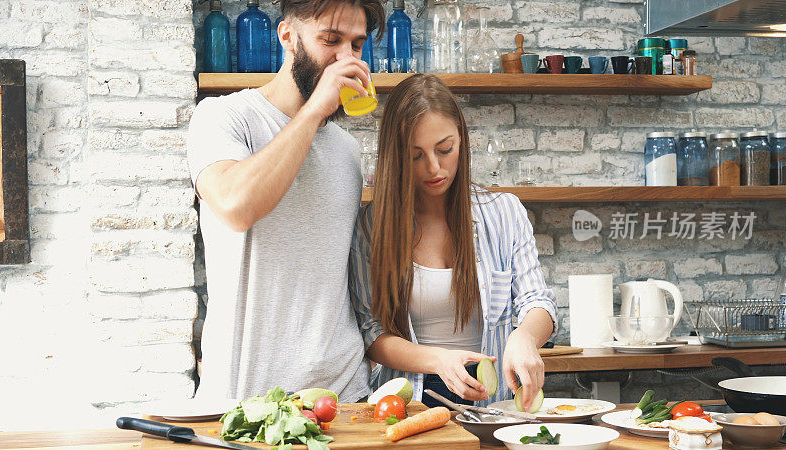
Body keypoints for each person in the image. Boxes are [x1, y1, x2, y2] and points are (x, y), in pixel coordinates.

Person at [186, 0, 385, 402]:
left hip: (344, 393)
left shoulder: (346, 148)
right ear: (288, 37)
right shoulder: (224, 117)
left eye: (357, 45)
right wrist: (313, 111)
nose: (345, 58)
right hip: (249, 397)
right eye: (330, 40)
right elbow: (236, 206)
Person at [349, 74, 557, 409]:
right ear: (396, 156)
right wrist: (438, 361)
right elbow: (373, 335)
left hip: (494, 404)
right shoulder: (372, 226)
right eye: (415, 156)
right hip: (407, 404)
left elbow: (538, 302)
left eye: (445, 149)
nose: (434, 167)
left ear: (462, 138)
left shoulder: (504, 213)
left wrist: (525, 337)